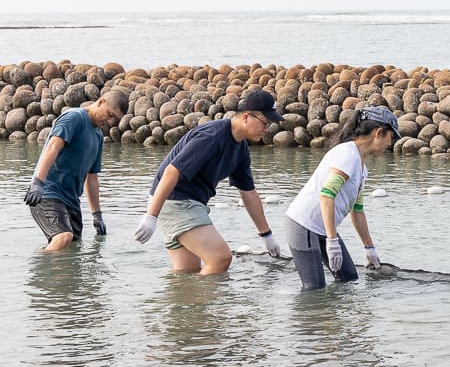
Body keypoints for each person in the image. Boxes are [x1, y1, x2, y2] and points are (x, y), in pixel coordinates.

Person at [133, 90, 285, 274]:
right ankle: (216, 302)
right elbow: (171, 172)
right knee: (220, 258)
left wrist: (266, 235)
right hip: (176, 201)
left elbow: (249, 193)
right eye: (265, 123)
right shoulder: (212, 136)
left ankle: (192, 303)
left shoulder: (241, 149)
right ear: (246, 117)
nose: (267, 129)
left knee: (186, 274)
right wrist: (151, 217)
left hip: (185, 204)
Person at [283, 106, 400, 290]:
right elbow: (327, 195)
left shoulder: (362, 168)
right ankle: (307, 318)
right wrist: (332, 241)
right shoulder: (348, 155)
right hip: (303, 224)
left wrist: (369, 248)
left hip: (322, 228)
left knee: (349, 277)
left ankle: (335, 318)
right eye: (390, 137)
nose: (390, 143)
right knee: (314, 287)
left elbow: (357, 211)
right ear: (379, 132)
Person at [23, 92, 128, 251]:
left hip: (71, 201)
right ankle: (35, 272)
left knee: (72, 248)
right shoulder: (74, 118)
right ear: (100, 102)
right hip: (47, 193)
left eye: (115, 119)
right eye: (110, 115)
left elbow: (91, 178)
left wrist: (97, 215)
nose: (110, 121)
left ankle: (53, 272)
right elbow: (52, 147)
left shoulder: (98, 136)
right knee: (63, 237)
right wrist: (38, 183)